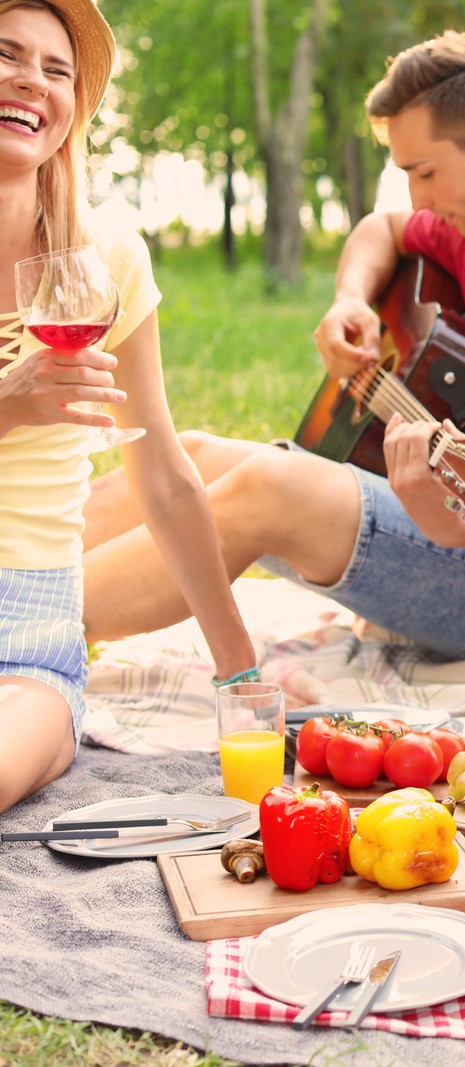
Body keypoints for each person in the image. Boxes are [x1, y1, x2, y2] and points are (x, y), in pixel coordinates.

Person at [79, 29, 465, 673]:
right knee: (200, 454)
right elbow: (383, 229)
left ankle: (29, 627)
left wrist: (452, 526)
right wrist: (350, 298)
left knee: (273, 486)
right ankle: (22, 573)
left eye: (424, 173)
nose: (418, 200)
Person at [0, 0, 253, 814]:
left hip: (26, 639)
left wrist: (240, 670)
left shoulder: (106, 257)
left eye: (56, 69)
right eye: (7, 53)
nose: (31, 82)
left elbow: (164, 475)